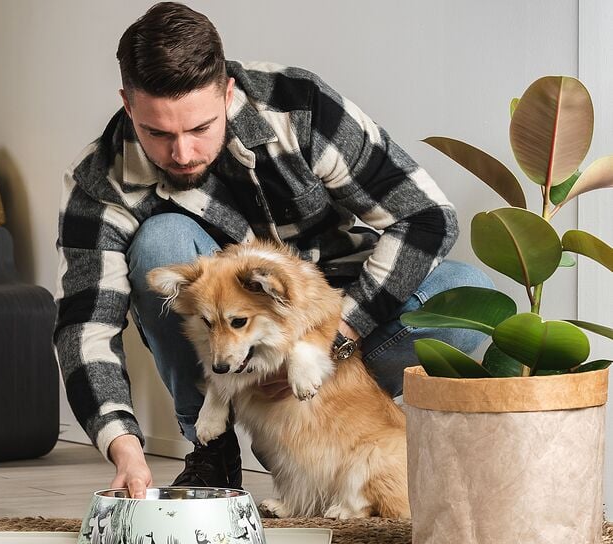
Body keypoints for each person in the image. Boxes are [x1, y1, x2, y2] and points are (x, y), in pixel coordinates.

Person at [55, 2, 491, 499]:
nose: (182, 154)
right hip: (223, 357)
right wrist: (125, 447)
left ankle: (330, 419)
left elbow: (426, 216)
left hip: (335, 313)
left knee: (467, 294)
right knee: (162, 241)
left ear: (227, 92)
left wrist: (335, 339)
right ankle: (212, 448)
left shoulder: (298, 105)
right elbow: (86, 327)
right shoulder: (98, 180)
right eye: (157, 133)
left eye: (200, 129)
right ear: (128, 105)